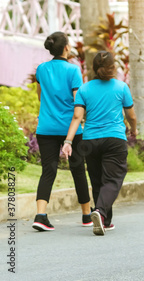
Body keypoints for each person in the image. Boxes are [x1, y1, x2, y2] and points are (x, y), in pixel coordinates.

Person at [62, 51, 138, 236]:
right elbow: (132, 115)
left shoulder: (84, 89)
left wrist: (68, 141)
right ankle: (100, 212)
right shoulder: (121, 87)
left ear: (94, 68)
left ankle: (105, 220)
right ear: (114, 67)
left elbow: (77, 117)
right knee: (112, 179)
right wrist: (134, 130)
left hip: (90, 141)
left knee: (97, 180)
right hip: (114, 139)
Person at [33, 32, 92, 231]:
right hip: (72, 130)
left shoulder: (41, 69)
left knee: (47, 171)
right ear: (66, 47)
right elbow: (79, 102)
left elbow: (40, 97)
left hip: (46, 128)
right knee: (78, 170)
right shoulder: (73, 71)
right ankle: (86, 215)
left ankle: (40, 216)